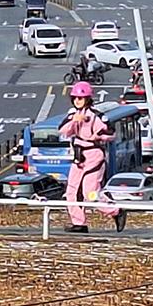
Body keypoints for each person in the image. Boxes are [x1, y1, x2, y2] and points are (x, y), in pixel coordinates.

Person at [61, 81, 126, 234]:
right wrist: (74, 121)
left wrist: (98, 135)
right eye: (75, 97)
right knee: (71, 191)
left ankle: (115, 211)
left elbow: (110, 133)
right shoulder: (72, 115)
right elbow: (63, 131)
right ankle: (78, 223)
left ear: (88, 99)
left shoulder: (97, 117)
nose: (77, 100)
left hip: (93, 155)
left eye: (81, 98)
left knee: (90, 193)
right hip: (78, 156)